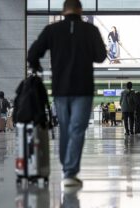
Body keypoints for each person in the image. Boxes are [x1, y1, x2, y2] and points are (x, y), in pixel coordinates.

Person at [27, 0, 106, 187]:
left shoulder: (52, 30)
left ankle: (67, 168)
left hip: (60, 90)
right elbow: (101, 56)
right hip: (83, 89)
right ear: (80, 11)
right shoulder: (90, 30)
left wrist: (36, 64)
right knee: (77, 129)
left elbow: (32, 53)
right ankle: (69, 173)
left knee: (65, 128)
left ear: (63, 11)